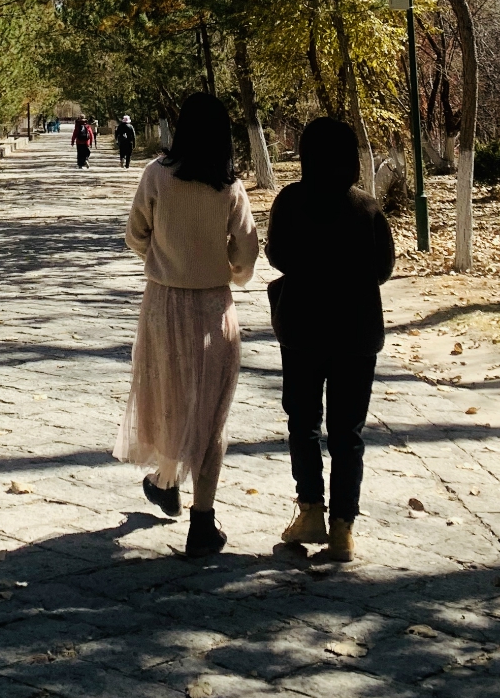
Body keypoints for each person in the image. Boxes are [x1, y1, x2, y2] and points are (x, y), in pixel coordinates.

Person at [115, 92, 259, 557]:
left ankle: (165, 481)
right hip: (214, 310)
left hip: (163, 305)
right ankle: (202, 520)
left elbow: (135, 234)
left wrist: (163, 260)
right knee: (211, 415)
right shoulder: (230, 188)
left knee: (169, 400)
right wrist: (226, 271)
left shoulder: (156, 176)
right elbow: (247, 254)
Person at [266, 115, 394, 563]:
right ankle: (343, 527)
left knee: (303, 423)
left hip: (302, 328)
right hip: (357, 332)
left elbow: (277, 255)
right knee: (348, 432)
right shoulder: (367, 208)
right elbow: (383, 269)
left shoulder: (291, 200)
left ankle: (310, 511)